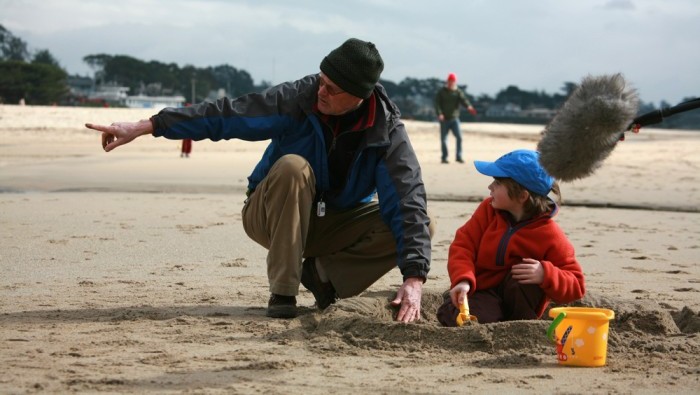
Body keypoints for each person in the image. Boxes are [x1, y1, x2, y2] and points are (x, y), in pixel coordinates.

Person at [85, 38, 433, 323]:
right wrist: (148, 126)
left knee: (422, 225)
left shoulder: (385, 133)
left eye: (332, 88)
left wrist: (414, 278)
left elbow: (407, 200)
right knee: (294, 167)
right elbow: (226, 115)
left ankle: (324, 278)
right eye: (321, 80)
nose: (320, 91)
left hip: (330, 224)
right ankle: (284, 292)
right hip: (268, 213)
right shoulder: (299, 98)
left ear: (359, 97)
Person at [436, 149, 585, 325]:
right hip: (482, 291)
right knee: (471, 320)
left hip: (519, 304)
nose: (490, 187)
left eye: (498, 183)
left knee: (526, 275)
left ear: (522, 196)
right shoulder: (487, 210)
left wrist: (546, 274)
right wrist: (462, 280)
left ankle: (519, 327)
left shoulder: (550, 234)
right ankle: (453, 306)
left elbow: (577, 285)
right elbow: (463, 245)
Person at [434, 73, 477, 164]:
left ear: (454, 82)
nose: (451, 83)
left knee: (459, 137)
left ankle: (459, 156)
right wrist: (440, 114)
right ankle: (444, 158)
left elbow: (464, 100)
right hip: (444, 119)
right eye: (449, 81)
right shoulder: (442, 92)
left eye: (452, 81)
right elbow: (437, 104)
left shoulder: (458, 91)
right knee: (444, 140)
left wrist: (469, 107)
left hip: (455, 119)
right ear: (447, 81)